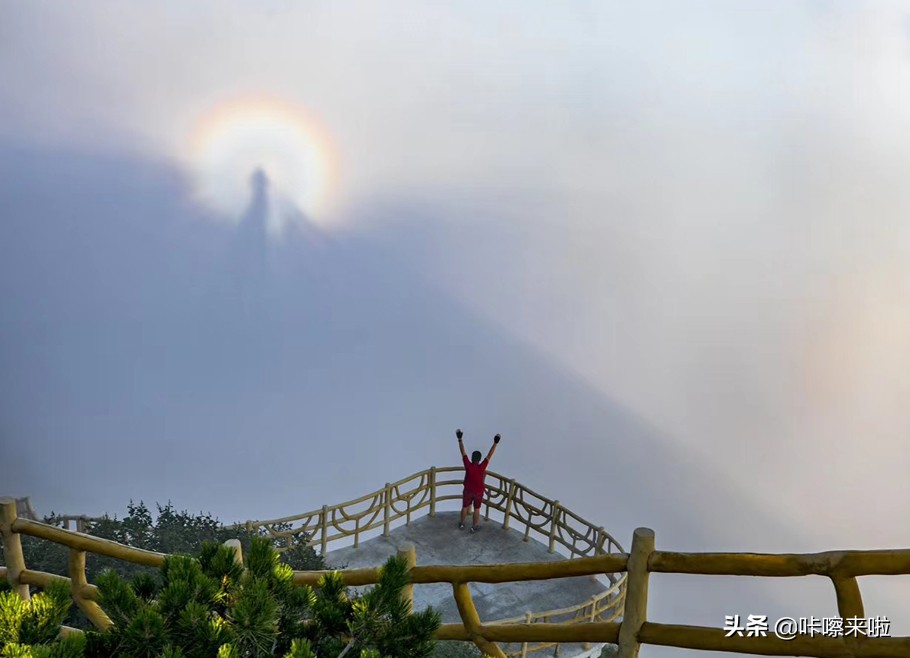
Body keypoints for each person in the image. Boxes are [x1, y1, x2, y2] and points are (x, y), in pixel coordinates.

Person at [456, 428, 501, 533]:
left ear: (472, 458)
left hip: (468, 490)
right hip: (478, 491)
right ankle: (474, 526)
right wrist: (495, 443)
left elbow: (463, 452)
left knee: (465, 507)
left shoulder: (468, 465)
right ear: (479, 459)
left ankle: (462, 524)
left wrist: (460, 439)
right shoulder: (482, 467)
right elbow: (490, 455)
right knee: (477, 509)